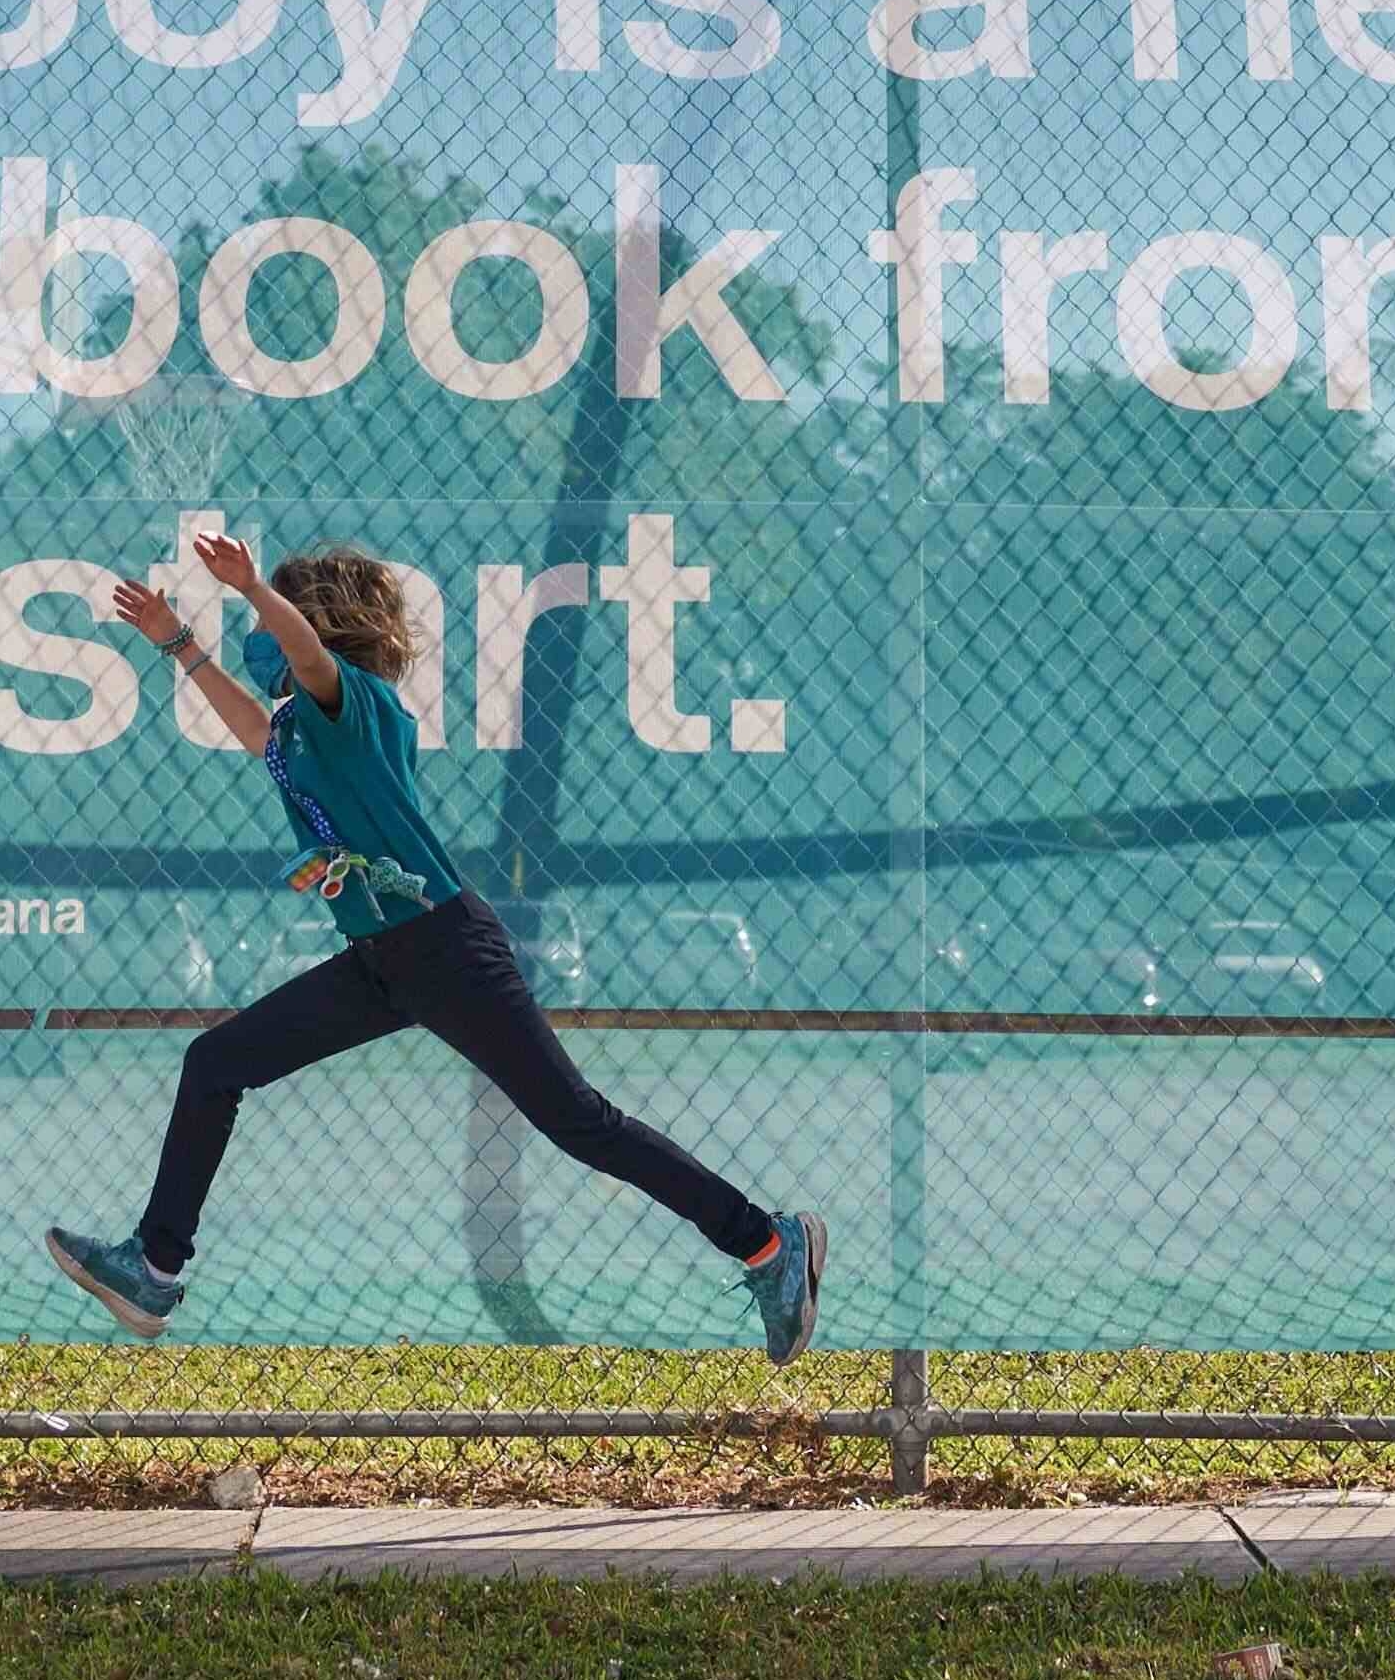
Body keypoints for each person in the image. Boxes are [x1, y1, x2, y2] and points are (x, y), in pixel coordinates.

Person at [43, 530, 821, 1362]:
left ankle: (768, 1245)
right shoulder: (301, 729)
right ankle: (154, 1271)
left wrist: (250, 590)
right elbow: (252, 731)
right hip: (382, 961)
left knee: (581, 1124)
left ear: (318, 623)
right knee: (215, 1064)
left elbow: (307, 659)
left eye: (277, 617)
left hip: (446, 951)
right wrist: (178, 642)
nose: (262, 634)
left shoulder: (357, 703)